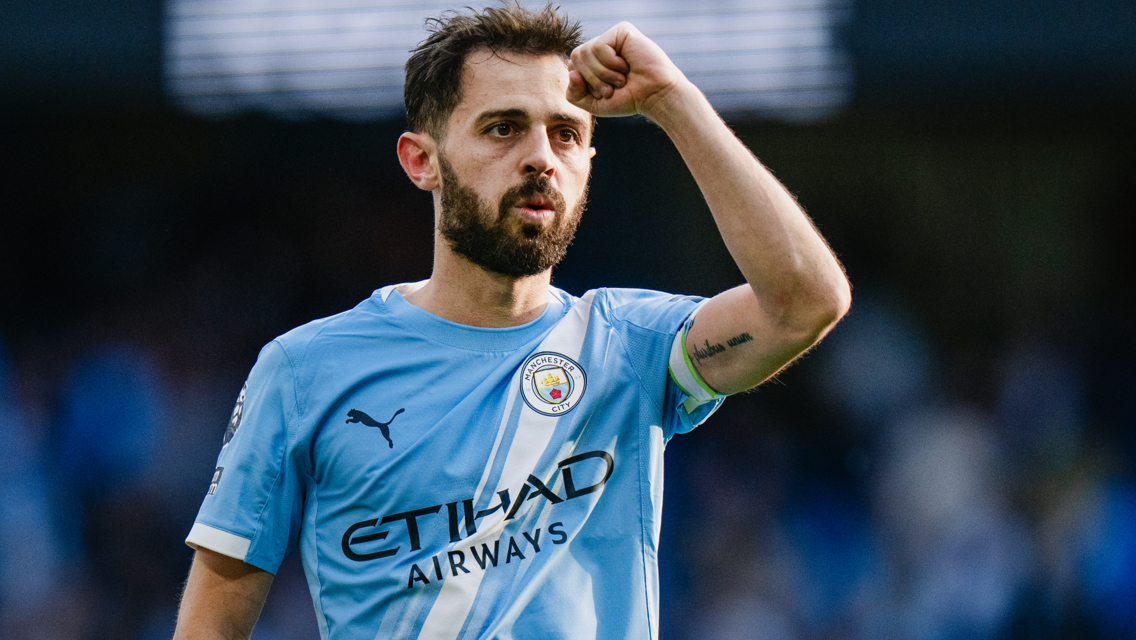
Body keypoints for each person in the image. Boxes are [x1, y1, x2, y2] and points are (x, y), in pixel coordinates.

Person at [172, 4, 851, 639]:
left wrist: (672, 101)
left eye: (566, 134)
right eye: (502, 128)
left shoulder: (630, 344)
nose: (538, 157)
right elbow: (212, 618)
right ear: (422, 161)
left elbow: (804, 302)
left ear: (588, 160)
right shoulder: (304, 369)